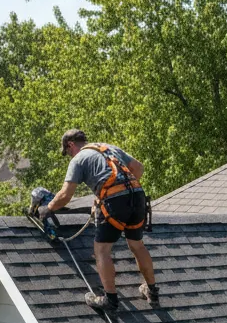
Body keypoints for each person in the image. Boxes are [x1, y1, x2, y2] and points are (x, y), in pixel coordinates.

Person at [46, 129, 158, 312]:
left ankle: (110, 300)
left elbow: (65, 195)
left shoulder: (78, 159)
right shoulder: (108, 148)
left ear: (70, 145)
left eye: (67, 152)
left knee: (102, 249)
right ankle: (152, 291)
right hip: (138, 197)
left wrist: (48, 209)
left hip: (116, 202)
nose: (69, 156)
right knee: (137, 245)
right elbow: (138, 168)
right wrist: (109, 193)